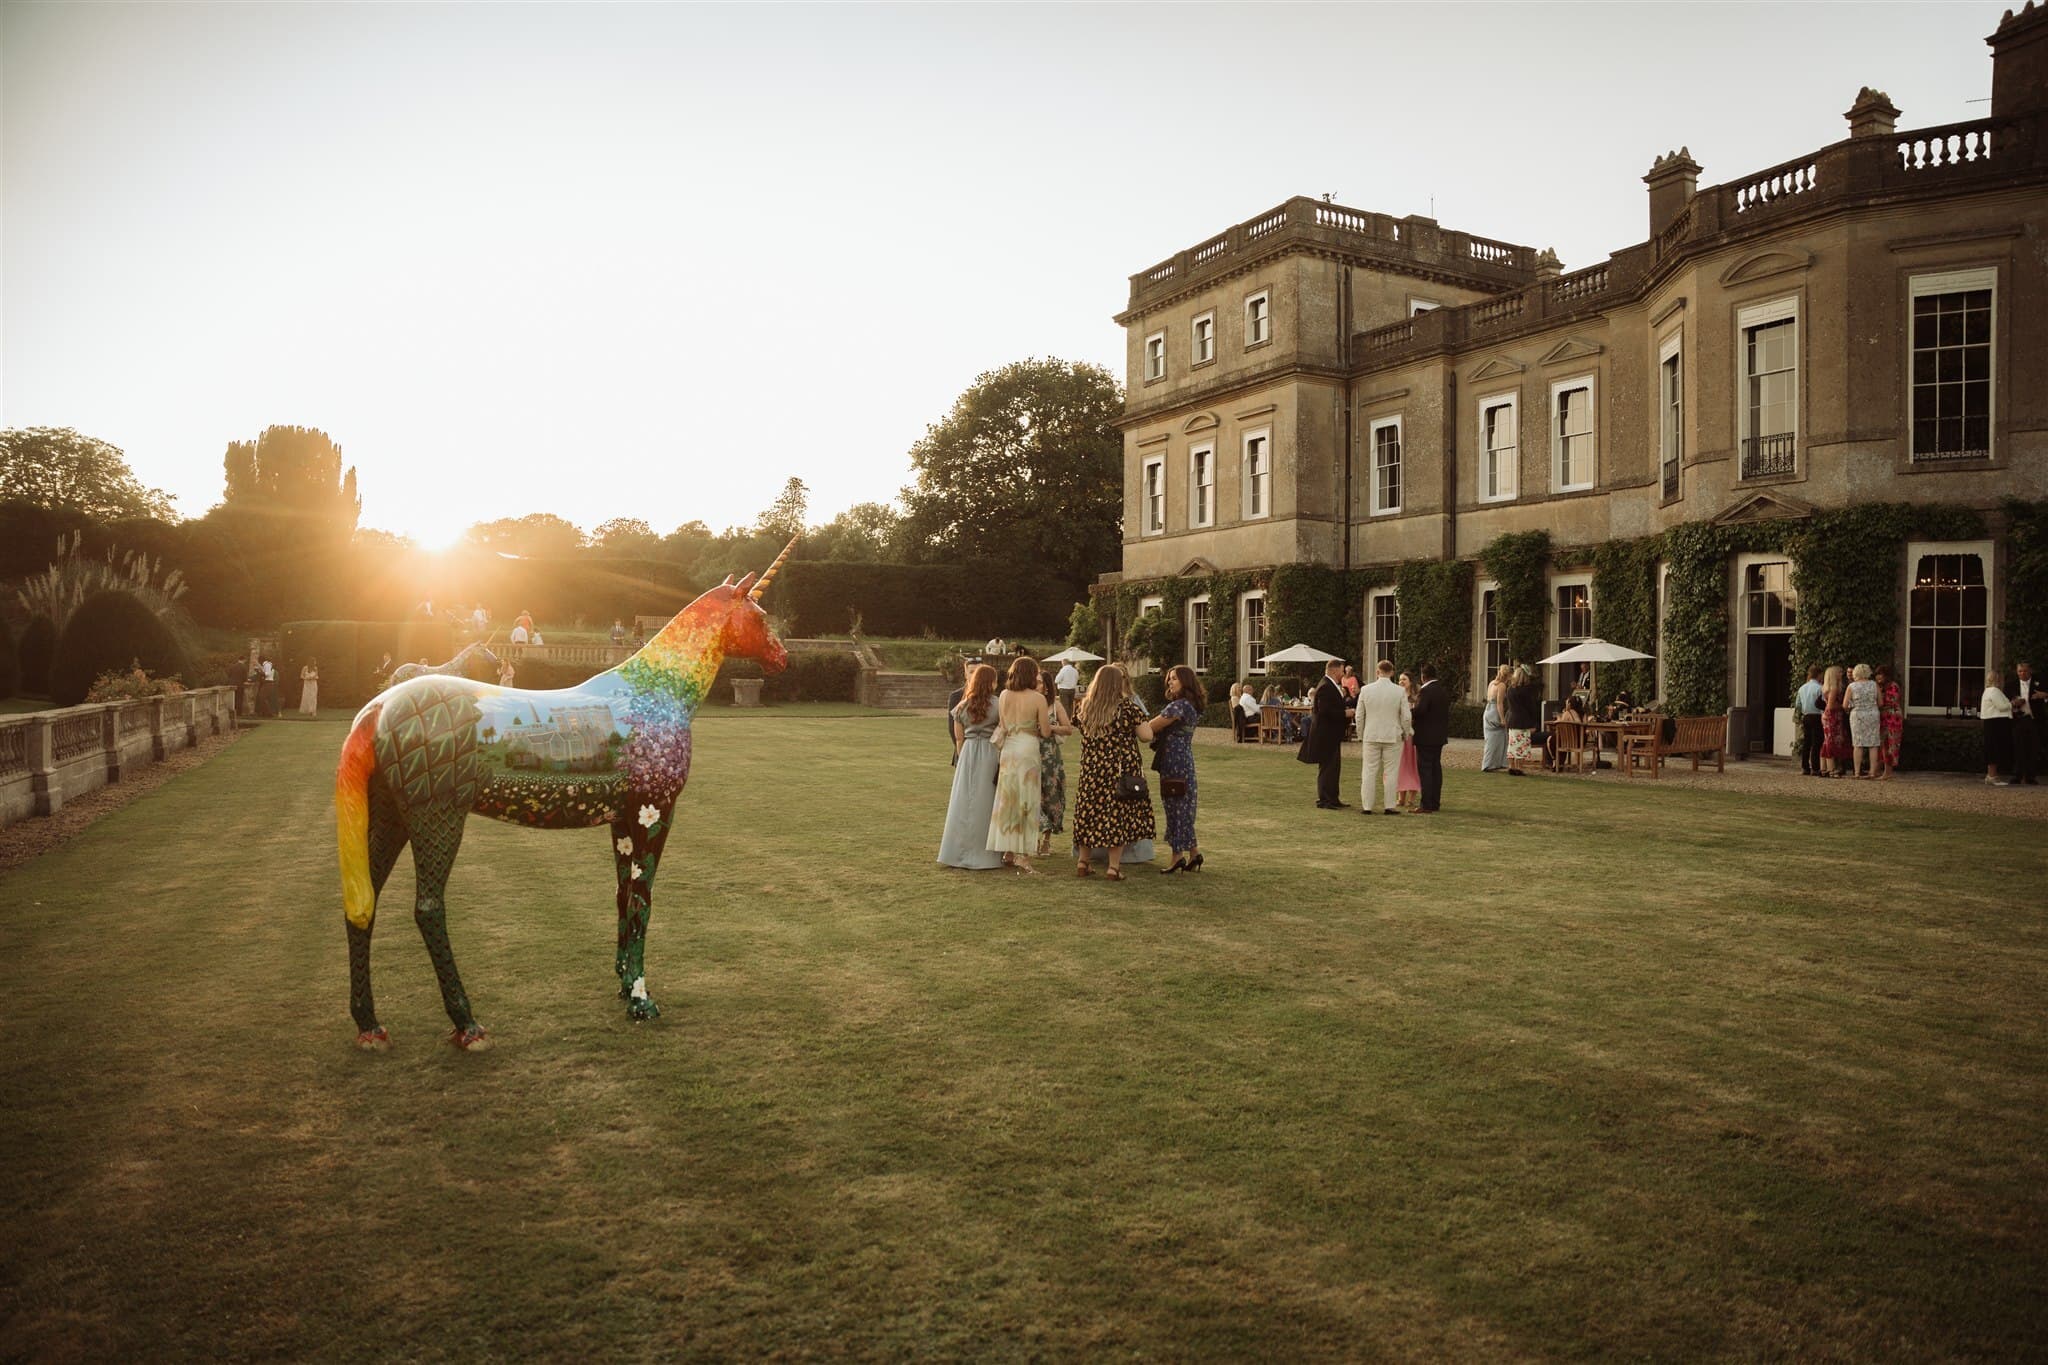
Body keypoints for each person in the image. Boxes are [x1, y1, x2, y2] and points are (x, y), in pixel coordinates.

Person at [1071, 664, 1156, 880]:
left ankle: (1083, 862)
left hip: (1092, 770)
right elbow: (1146, 736)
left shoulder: (1084, 708)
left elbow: (1078, 728)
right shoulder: (1126, 709)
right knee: (1116, 814)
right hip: (1119, 769)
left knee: (1088, 811)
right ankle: (1113, 867)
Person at [986, 657, 1052, 873]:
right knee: (1026, 799)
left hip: (1009, 749)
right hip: (1027, 747)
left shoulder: (1004, 695)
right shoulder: (1038, 698)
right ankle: (1022, 855)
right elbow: (1045, 731)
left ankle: (1008, 850)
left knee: (1008, 799)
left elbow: (1003, 725)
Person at [938, 664, 1006, 869]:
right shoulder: (998, 704)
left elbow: (958, 738)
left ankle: (957, 852)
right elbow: (1005, 730)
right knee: (986, 801)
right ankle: (985, 853)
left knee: (963, 801)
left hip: (967, 752)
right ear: (992, 682)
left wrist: (964, 758)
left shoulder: (962, 706)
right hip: (990, 751)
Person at [1151, 665, 1205, 872]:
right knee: (1184, 805)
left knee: (1175, 806)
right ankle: (1194, 853)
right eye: (1169, 679)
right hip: (1185, 760)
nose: (1170, 682)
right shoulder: (1190, 705)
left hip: (1173, 761)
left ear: (1185, 681)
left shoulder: (1177, 707)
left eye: (1174, 679)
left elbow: (1152, 727)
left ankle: (1176, 857)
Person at [1357, 660, 1412, 815]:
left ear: (1377, 672)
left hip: (1371, 735)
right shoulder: (1399, 691)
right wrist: (1405, 733)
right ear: (1392, 672)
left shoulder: (1366, 690)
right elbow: (1406, 716)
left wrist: (1361, 734)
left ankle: (1367, 806)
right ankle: (1389, 806)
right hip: (1392, 736)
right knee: (1391, 772)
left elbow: (1359, 715)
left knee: (1368, 771)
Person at [1297, 659, 1350, 810]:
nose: (1343, 673)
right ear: (1334, 670)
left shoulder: (1330, 685)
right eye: (1342, 670)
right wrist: (1344, 713)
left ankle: (1333, 798)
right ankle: (1325, 799)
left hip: (1332, 734)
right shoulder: (1325, 687)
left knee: (1334, 767)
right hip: (1325, 734)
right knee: (1327, 767)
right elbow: (1325, 711)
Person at [1034, 671, 1073, 859]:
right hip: (1031, 755)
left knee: (1051, 797)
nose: (1035, 685)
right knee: (1033, 796)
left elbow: (1069, 729)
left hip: (1050, 758)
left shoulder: (1055, 705)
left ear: (1047, 686)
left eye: (1039, 683)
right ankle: (1033, 837)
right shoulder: (1029, 702)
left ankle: (1046, 840)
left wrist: (1050, 728)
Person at [1411, 663, 1450, 814]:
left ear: (1423, 676)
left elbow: (1421, 710)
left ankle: (1426, 804)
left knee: (1425, 769)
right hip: (1439, 735)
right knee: (1435, 769)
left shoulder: (1425, 691)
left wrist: (1408, 711)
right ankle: (1434, 802)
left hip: (1426, 736)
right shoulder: (1442, 690)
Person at [1503, 664, 1540, 776]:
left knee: (1512, 744)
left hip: (1512, 718)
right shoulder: (1527, 691)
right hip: (1523, 720)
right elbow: (1531, 707)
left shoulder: (1510, 690)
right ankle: (1519, 767)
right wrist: (1534, 723)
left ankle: (1511, 766)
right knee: (1521, 745)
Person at [1846, 663, 1881, 778]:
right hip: (1872, 714)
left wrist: (1853, 705)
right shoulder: (1874, 685)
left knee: (1857, 744)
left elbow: (1845, 704)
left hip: (1857, 715)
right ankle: (1872, 772)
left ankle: (1856, 772)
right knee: (1873, 744)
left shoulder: (1852, 686)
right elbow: (1880, 702)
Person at [1981, 669, 2014, 787]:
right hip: (1995, 723)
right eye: (1999, 678)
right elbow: (2002, 706)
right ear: (1996, 679)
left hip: (1993, 723)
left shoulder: (1988, 691)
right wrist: (2014, 703)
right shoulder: (1994, 691)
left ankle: (1992, 776)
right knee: (1994, 748)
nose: (2000, 680)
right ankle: (1992, 776)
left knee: (1993, 748)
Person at [1395, 672, 1422, 810]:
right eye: (1399, 679)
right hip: (1399, 735)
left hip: (1412, 735)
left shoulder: (1416, 698)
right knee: (1400, 765)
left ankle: (1411, 798)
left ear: (1410, 681)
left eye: (1404, 679)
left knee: (1412, 766)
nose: (1401, 682)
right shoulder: (1396, 696)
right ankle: (1401, 797)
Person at [2011, 660, 2040, 785]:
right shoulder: (2010, 684)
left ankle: (2030, 777)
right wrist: (2014, 703)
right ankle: (2017, 776)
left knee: (2033, 749)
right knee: (2018, 748)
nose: (2022, 673)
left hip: (2034, 720)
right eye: (2020, 671)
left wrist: (2044, 695)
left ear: (2030, 671)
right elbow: (2006, 701)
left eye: (2025, 671)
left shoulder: (2040, 682)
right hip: (2019, 720)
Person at [1821, 665, 1852, 777]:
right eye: (1839, 672)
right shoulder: (1834, 689)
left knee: (1827, 741)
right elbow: (1830, 706)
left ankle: (1824, 768)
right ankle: (1831, 769)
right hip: (1833, 717)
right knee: (1831, 742)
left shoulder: (1827, 688)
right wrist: (1843, 706)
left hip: (1829, 717)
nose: (1841, 674)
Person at [1794, 665, 1825, 777]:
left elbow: (1797, 704)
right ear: (1819, 675)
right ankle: (1815, 768)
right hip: (1817, 715)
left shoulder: (1802, 688)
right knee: (1816, 743)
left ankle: (1805, 767)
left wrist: (1803, 709)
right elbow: (1822, 703)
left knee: (1807, 742)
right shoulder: (1820, 688)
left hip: (1806, 716)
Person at [1544, 692, 1586, 771]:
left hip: (1568, 741)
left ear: (1569, 704)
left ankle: (1555, 762)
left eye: (1566, 702)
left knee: (1551, 739)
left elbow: (1560, 726)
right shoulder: (1583, 714)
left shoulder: (1567, 713)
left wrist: (1559, 719)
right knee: (1558, 739)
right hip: (1581, 740)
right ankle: (1560, 763)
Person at [1481, 664, 1511, 772]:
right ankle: (1489, 764)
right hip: (1494, 711)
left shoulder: (1491, 683)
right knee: (1496, 738)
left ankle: (1498, 763)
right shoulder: (1502, 686)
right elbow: (1499, 703)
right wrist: (1502, 718)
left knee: (1493, 738)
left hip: (1487, 711)